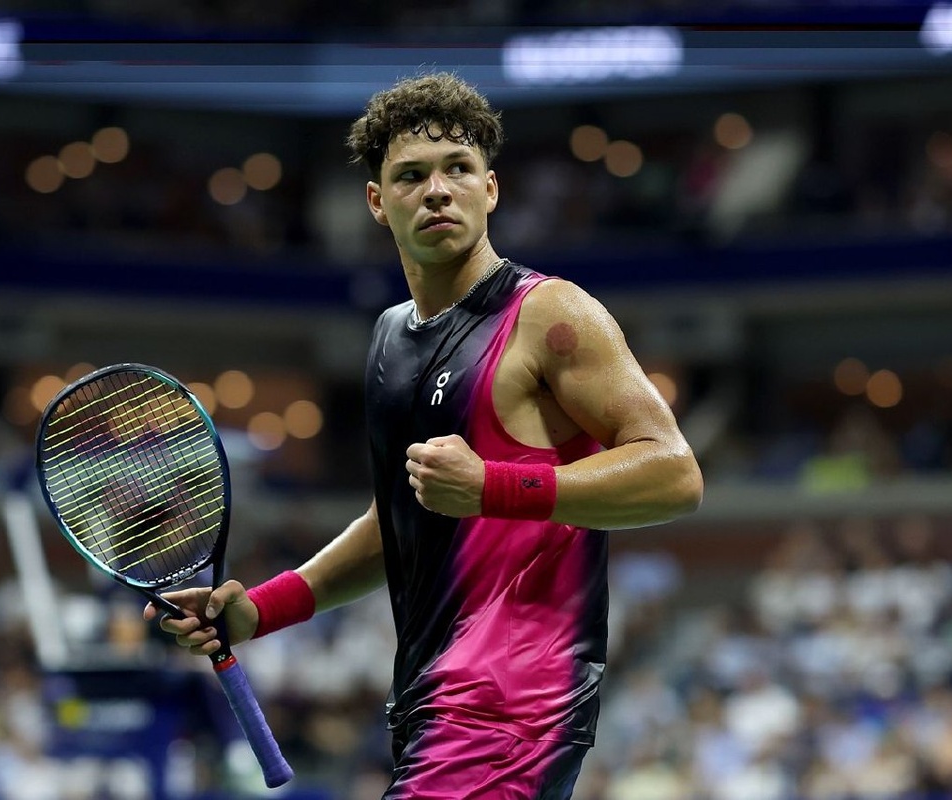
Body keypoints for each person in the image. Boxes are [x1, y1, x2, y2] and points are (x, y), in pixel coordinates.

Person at [144, 71, 704, 798]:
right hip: (429, 702)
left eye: (458, 169)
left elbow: (674, 474)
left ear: (490, 188)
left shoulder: (548, 313)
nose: (437, 190)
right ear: (378, 202)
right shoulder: (387, 339)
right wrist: (259, 610)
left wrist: (494, 487)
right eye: (411, 175)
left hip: (512, 704)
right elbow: (399, 522)